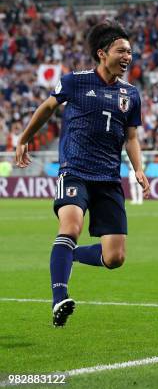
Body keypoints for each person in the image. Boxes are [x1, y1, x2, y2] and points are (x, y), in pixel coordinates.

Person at [14, 20, 150, 327]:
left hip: (109, 179)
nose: (128, 56)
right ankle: (59, 297)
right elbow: (48, 108)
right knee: (71, 227)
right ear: (102, 53)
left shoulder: (131, 94)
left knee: (114, 258)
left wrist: (138, 168)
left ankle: (69, 256)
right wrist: (24, 139)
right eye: (121, 50)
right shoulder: (75, 82)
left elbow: (131, 137)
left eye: (130, 51)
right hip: (75, 171)